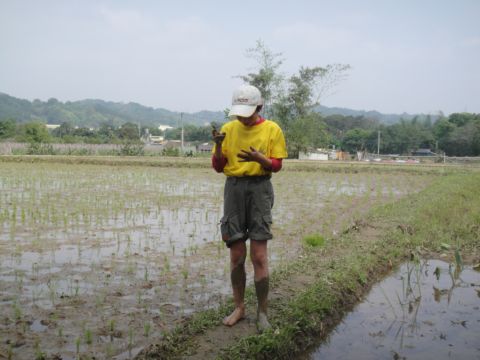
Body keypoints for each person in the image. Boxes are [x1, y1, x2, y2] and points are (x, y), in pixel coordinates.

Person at [211, 84, 287, 332]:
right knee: (236, 255)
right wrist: (220, 146)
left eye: (248, 111)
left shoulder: (272, 129)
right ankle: (239, 307)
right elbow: (218, 166)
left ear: (259, 107)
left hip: (259, 190)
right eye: (239, 112)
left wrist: (259, 159)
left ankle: (262, 312)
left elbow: (276, 166)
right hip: (233, 190)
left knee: (259, 256)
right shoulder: (227, 129)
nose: (243, 117)